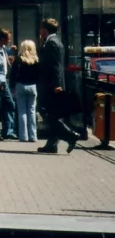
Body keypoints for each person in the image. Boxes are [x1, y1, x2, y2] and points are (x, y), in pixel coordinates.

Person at [37, 18, 78, 154]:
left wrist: (57, 84)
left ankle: (71, 135)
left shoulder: (52, 43)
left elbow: (55, 66)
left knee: (50, 115)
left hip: (52, 85)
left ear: (45, 29)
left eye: (41, 28)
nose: (40, 31)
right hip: (53, 84)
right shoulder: (53, 41)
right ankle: (52, 144)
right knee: (53, 114)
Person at [10, 39, 40, 143]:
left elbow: (13, 74)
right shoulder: (36, 59)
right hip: (32, 86)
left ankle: (23, 136)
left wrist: (12, 87)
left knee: (22, 111)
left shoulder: (18, 59)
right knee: (32, 111)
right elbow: (38, 75)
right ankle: (33, 136)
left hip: (21, 85)